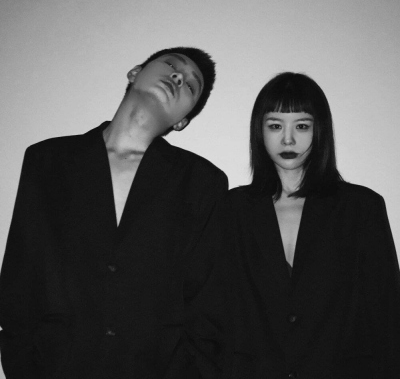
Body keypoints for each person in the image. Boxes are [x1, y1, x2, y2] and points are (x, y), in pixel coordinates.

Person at [0, 47, 228, 379]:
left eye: (192, 86)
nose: (179, 77)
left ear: (183, 120)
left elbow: (206, 305)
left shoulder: (202, 183)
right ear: (135, 72)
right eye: (170, 65)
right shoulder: (48, 161)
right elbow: (20, 281)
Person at [227, 72, 400, 378]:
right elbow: (216, 310)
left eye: (302, 126)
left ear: (319, 130)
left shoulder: (362, 207)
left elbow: (387, 313)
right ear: (259, 130)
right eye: (275, 126)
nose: (288, 139)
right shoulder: (231, 209)